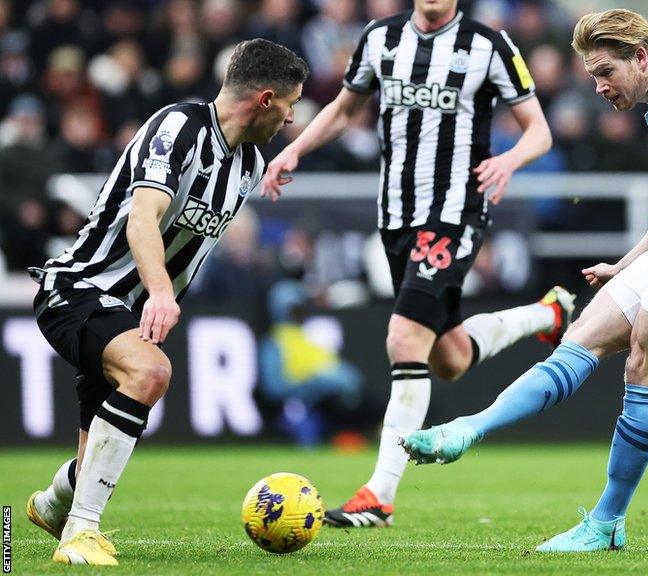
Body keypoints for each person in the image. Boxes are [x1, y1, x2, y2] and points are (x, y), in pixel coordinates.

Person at [402, 8, 648, 552]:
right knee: (579, 339)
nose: (600, 86)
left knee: (643, 363)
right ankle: (469, 428)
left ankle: (606, 522)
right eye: (592, 76)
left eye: (606, 71)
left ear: (643, 57)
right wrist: (626, 264)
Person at [261, 0, 572, 529]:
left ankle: (379, 494)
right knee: (447, 358)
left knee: (404, 338)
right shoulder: (380, 39)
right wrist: (296, 150)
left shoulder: (489, 46)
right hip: (396, 218)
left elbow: (538, 130)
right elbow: (343, 108)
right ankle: (548, 315)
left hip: (454, 214)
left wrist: (509, 159)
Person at [25, 39, 308, 566]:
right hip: (80, 288)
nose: (292, 117)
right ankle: (81, 535)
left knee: (93, 464)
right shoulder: (178, 128)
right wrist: (160, 292)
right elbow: (142, 217)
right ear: (266, 98)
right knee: (151, 373)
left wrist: (156, 296)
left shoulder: (247, 164)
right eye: (291, 105)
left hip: (127, 311)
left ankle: (53, 505)